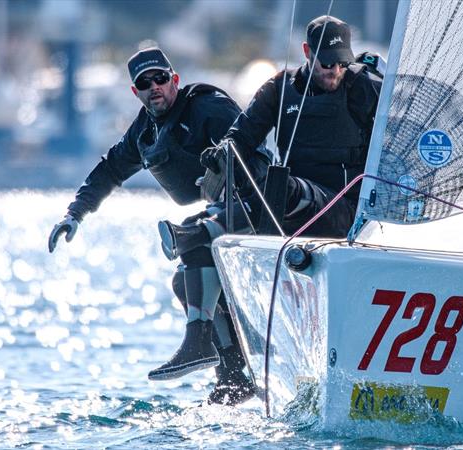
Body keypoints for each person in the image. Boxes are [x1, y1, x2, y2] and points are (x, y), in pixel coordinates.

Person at [155, 15, 383, 402]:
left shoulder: (363, 88)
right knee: (188, 274)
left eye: (341, 62)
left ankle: (202, 230)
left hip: (342, 208)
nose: (335, 70)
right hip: (289, 208)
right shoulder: (281, 88)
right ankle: (230, 373)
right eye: (326, 62)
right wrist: (219, 155)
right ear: (308, 54)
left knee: (279, 186)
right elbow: (241, 136)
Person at [47, 47, 265, 404]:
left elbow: (251, 147)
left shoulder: (206, 106)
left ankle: (199, 341)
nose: (154, 87)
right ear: (136, 92)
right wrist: (74, 214)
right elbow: (111, 169)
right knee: (184, 281)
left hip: (256, 208)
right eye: (144, 83)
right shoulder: (144, 130)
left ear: (174, 80)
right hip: (220, 217)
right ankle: (231, 374)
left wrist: (225, 165)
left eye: (160, 79)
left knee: (192, 243)